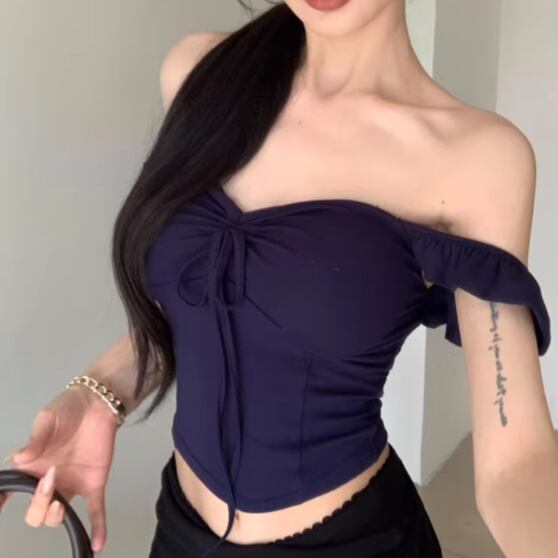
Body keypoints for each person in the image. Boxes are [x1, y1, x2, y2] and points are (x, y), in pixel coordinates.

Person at [2, 1, 557, 557]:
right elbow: (199, 306)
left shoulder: (477, 160)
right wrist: (100, 393)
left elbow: (517, 461)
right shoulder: (198, 75)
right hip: (180, 534)